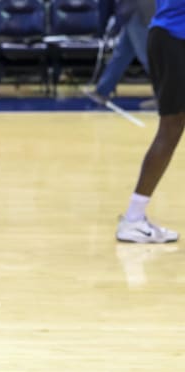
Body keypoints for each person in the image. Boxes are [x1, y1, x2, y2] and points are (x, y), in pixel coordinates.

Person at [116, 0, 185, 243]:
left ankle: (134, 217)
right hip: (175, 39)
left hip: (169, 37)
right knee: (171, 129)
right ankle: (133, 219)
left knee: (172, 128)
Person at [83, 0, 156, 105]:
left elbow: (106, 5)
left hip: (138, 13)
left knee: (148, 58)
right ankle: (102, 91)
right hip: (133, 12)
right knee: (121, 55)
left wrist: (103, 28)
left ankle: (165, 98)